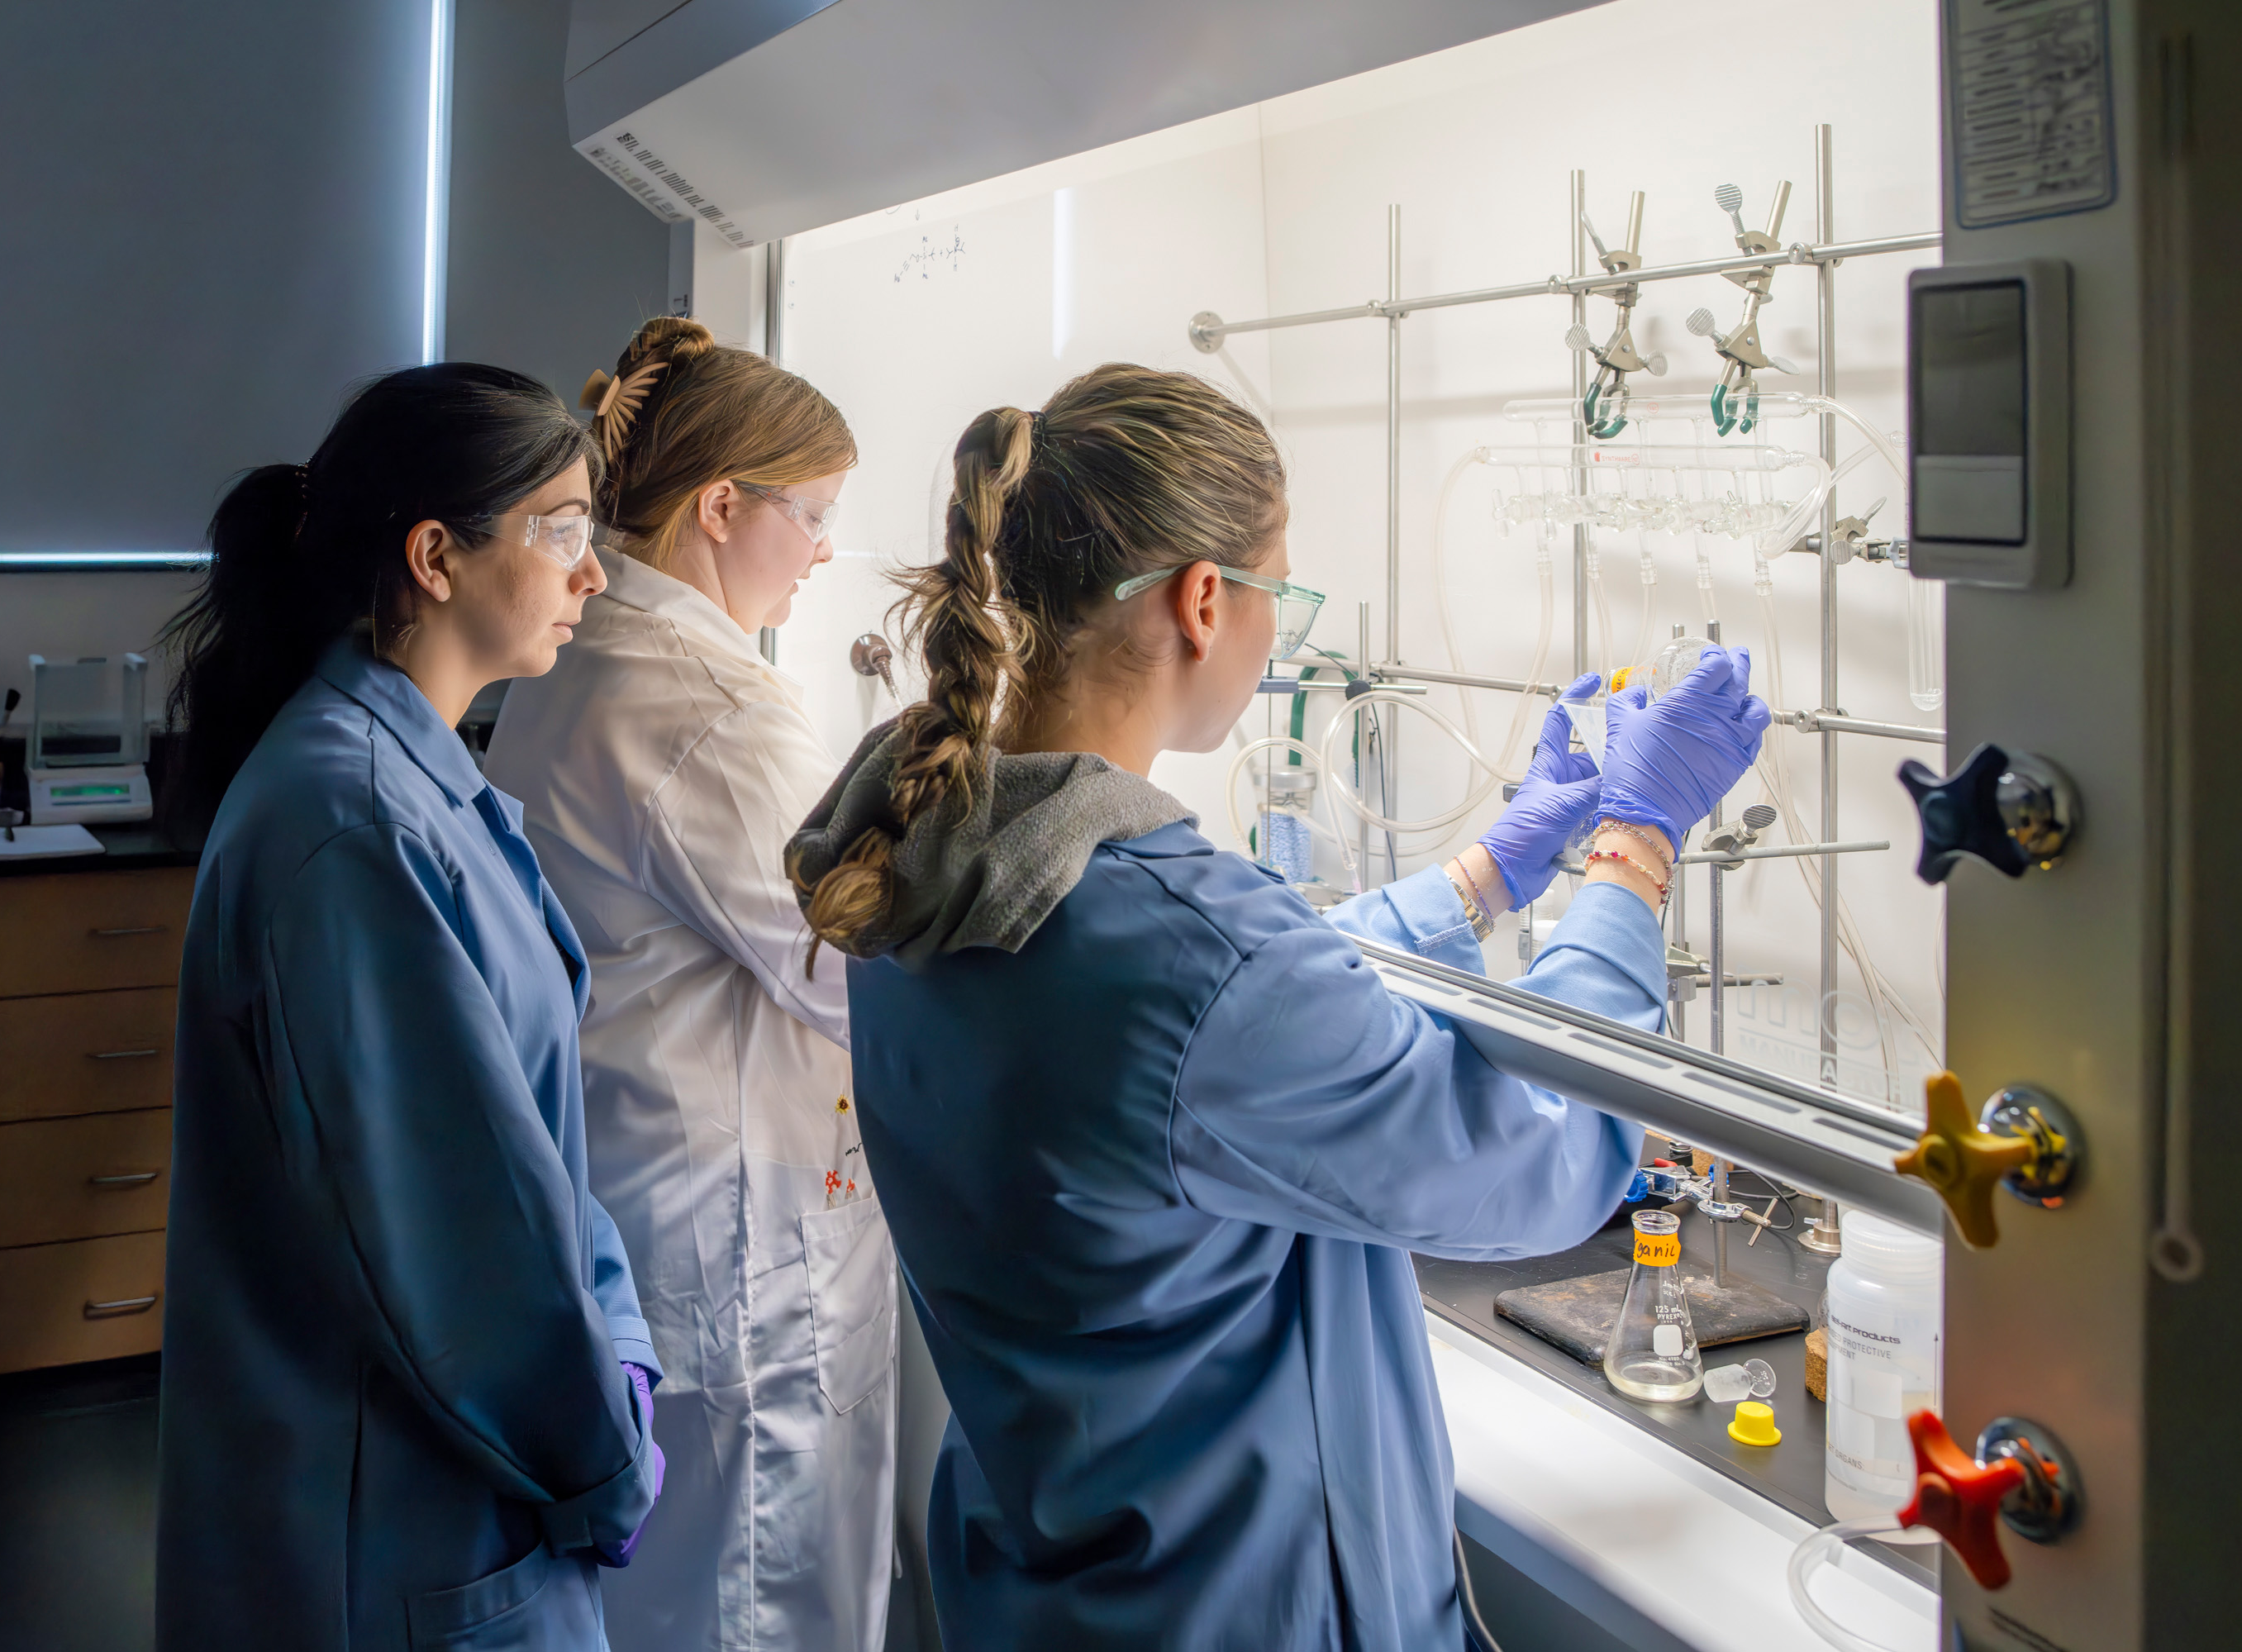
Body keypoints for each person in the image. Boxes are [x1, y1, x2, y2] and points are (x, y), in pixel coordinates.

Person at [787, 363, 1768, 1652]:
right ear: (1205, 601)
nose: (1273, 637)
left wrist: (1488, 874)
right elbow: (1548, 1154)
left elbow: (1235, 1003)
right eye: (1280, 597)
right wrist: (1634, 844)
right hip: (1237, 1610)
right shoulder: (1179, 954)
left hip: (1047, 1579)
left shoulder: (923, 850)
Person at [155, 364, 666, 1652]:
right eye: (561, 533)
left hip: (446, 1486)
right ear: (436, 555)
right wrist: (604, 1453)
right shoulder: (355, 820)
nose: (591, 575)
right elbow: (460, 1245)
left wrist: (623, 1351)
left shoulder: (418, 781)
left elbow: (534, 1155)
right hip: (394, 1521)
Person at [484, 317, 897, 1650]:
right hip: (732, 1244)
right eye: (815, 513)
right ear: (723, 506)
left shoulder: (602, 652)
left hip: (650, 1200)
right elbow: (853, 967)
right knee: (758, 1610)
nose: (827, 548)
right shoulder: (703, 698)